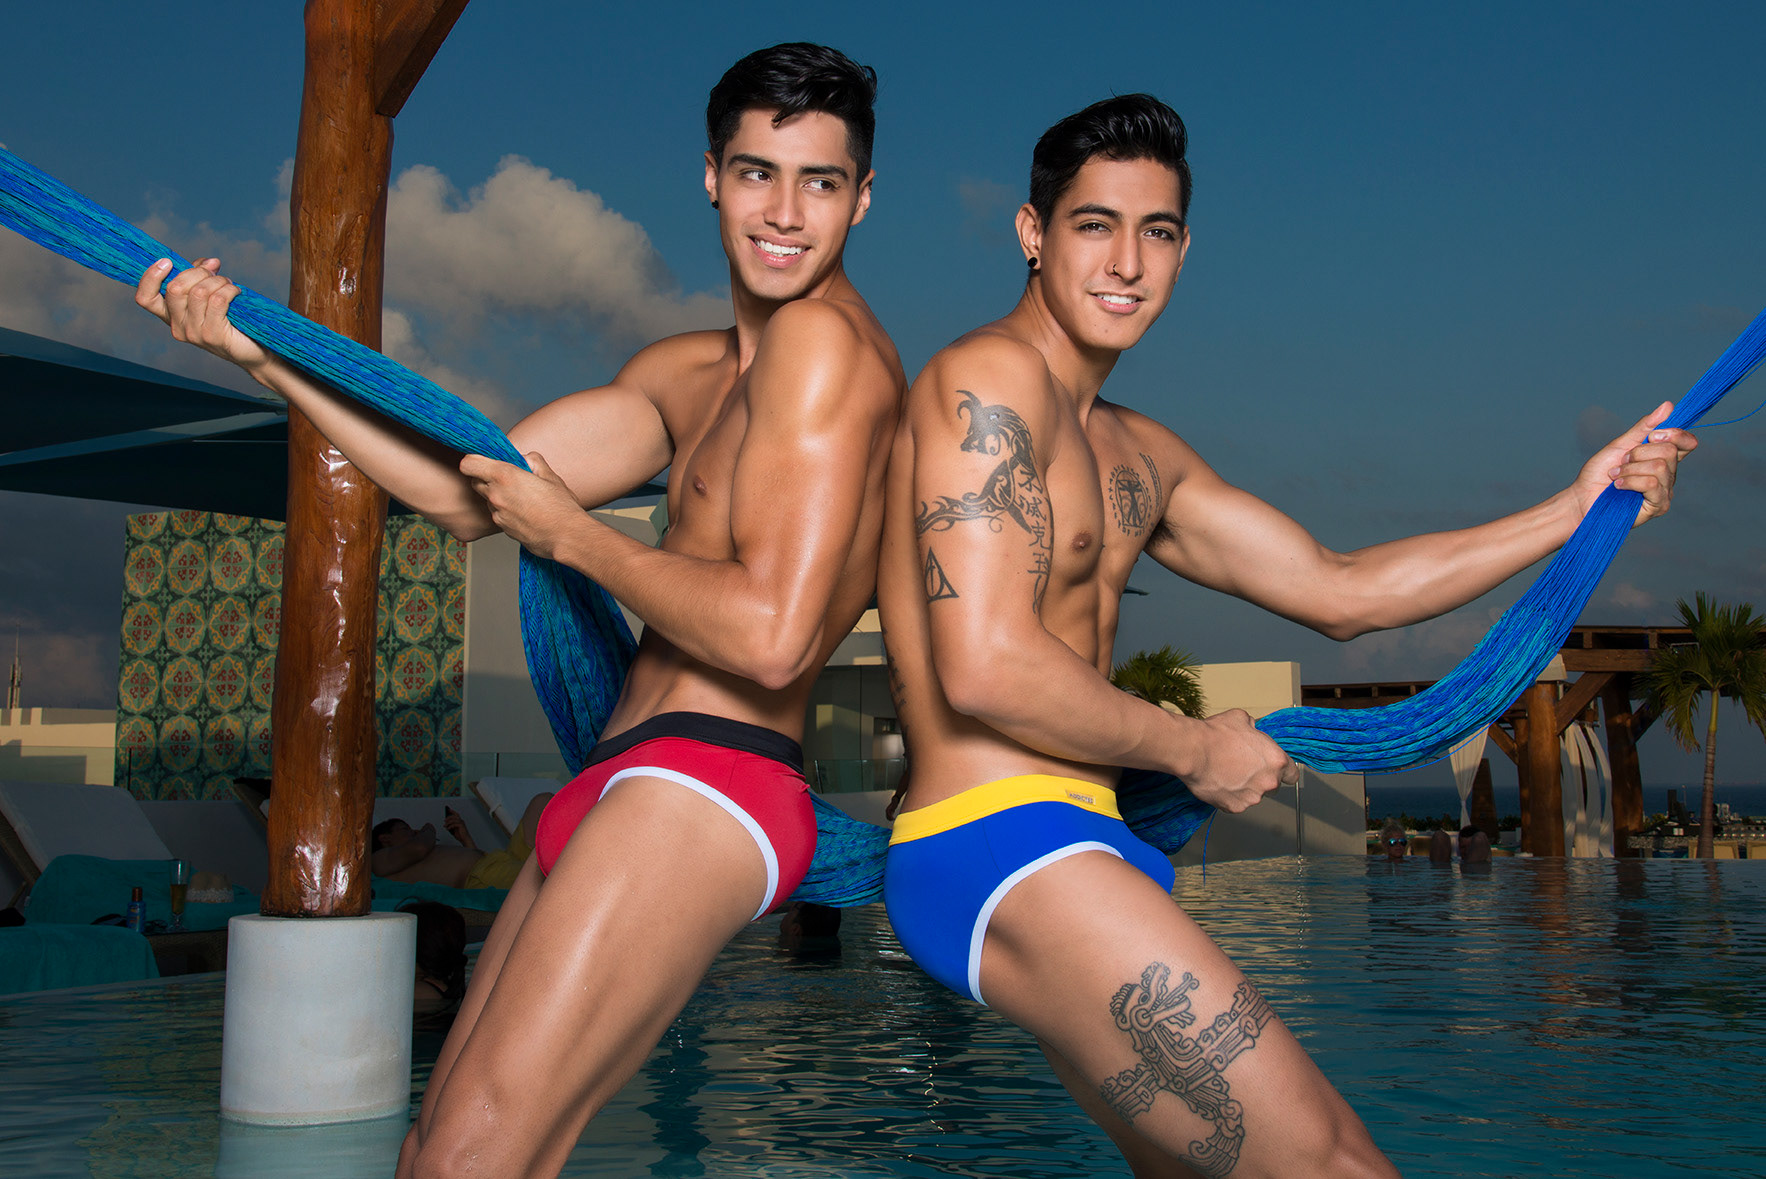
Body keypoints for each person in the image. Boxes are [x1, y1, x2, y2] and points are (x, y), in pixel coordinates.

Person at [877, 93, 1693, 1177]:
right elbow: (984, 666)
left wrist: (1576, 507)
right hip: (992, 837)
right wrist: (1194, 749)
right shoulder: (985, 383)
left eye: (1156, 232)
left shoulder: (1139, 453)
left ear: (1183, 250)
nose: (1126, 262)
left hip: (1080, 840)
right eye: (1093, 225)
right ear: (1032, 233)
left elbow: (1342, 589)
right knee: (1335, 1162)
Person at [138, 42, 903, 1179]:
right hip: (622, 773)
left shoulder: (825, 348)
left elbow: (772, 635)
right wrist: (261, 357)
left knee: (467, 1158)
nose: (784, 212)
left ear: (862, 197)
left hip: (710, 778)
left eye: (820, 182)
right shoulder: (688, 374)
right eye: (757, 173)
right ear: (711, 177)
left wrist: (574, 537)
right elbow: (464, 492)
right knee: (439, 1154)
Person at [370, 795, 549, 891]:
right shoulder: (379, 860)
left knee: (543, 802)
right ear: (385, 838)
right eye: (405, 829)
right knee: (550, 880)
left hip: (495, 862)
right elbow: (420, 847)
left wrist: (465, 839)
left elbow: (471, 861)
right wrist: (428, 829)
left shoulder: (409, 856)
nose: (413, 831)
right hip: (485, 874)